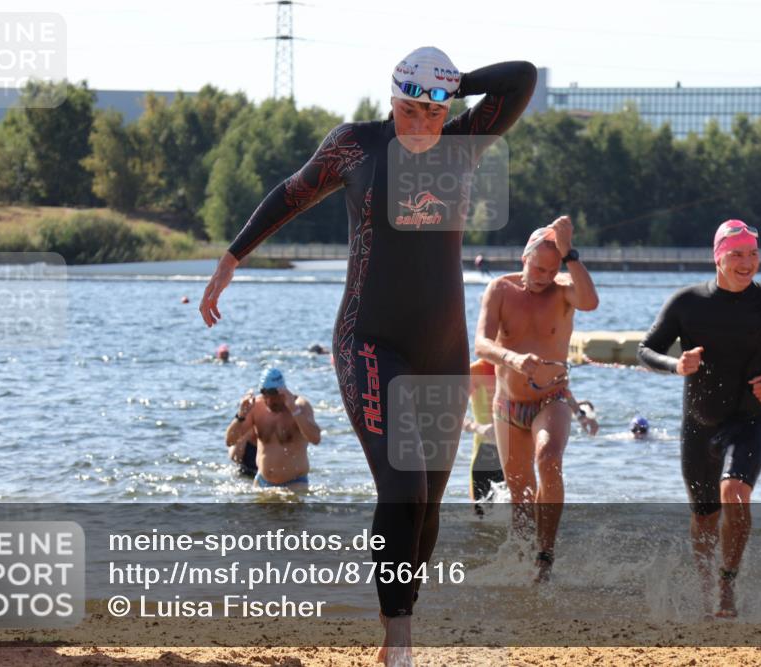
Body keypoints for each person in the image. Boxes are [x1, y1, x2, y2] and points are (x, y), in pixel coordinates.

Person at [199, 46, 536, 664]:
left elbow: (521, 79)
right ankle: (397, 640)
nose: (421, 126)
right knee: (402, 486)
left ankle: (399, 624)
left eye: (433, 114)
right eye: (410, 110)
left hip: (443, 350)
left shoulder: (463, 142)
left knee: (428, 506)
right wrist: (231, 258)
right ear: (391, 100)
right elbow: (291, 192)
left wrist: (455, 85)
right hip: (369, 341)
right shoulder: (356, 146)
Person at [637, 219, 761, 618]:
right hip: (700, 424)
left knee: (735, 493)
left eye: (753, 253)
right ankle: (705, 584)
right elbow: (646, 349)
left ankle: (727, 584)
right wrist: (677, 365)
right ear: (718, 257)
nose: (747, 262)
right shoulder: (687, 302)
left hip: (752, 419)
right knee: (704, 517)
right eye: (737, 254)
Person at [474, 215, 599, 582]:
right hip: (508, 404)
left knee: (548, 458)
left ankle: (545, 557)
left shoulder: (563, 291)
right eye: (539, 268)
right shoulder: (500, 289)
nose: (544, 277)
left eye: (552, 269)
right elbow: (481, 342)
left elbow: (590, 301)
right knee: (521, 497)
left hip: (553, 397)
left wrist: (570, 252)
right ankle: (521, 559)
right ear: (523, 259)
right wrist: (513, 359)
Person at [224, 368, 321, 492]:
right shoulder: (256, 407)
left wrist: (294, 411)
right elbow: (229, 441)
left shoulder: (300, 406)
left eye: (275, 396)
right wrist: (241, 415)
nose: (270, 401)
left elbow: (315, 438)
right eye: (266, 396)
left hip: (295, 483)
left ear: (283, 391)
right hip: (262, 482)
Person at [463, 358, 503, 516]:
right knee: (481, 519)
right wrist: (478, 427)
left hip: (515, 450)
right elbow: (450, 412)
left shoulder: (513, 369)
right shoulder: (476, 371)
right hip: (485, 451)